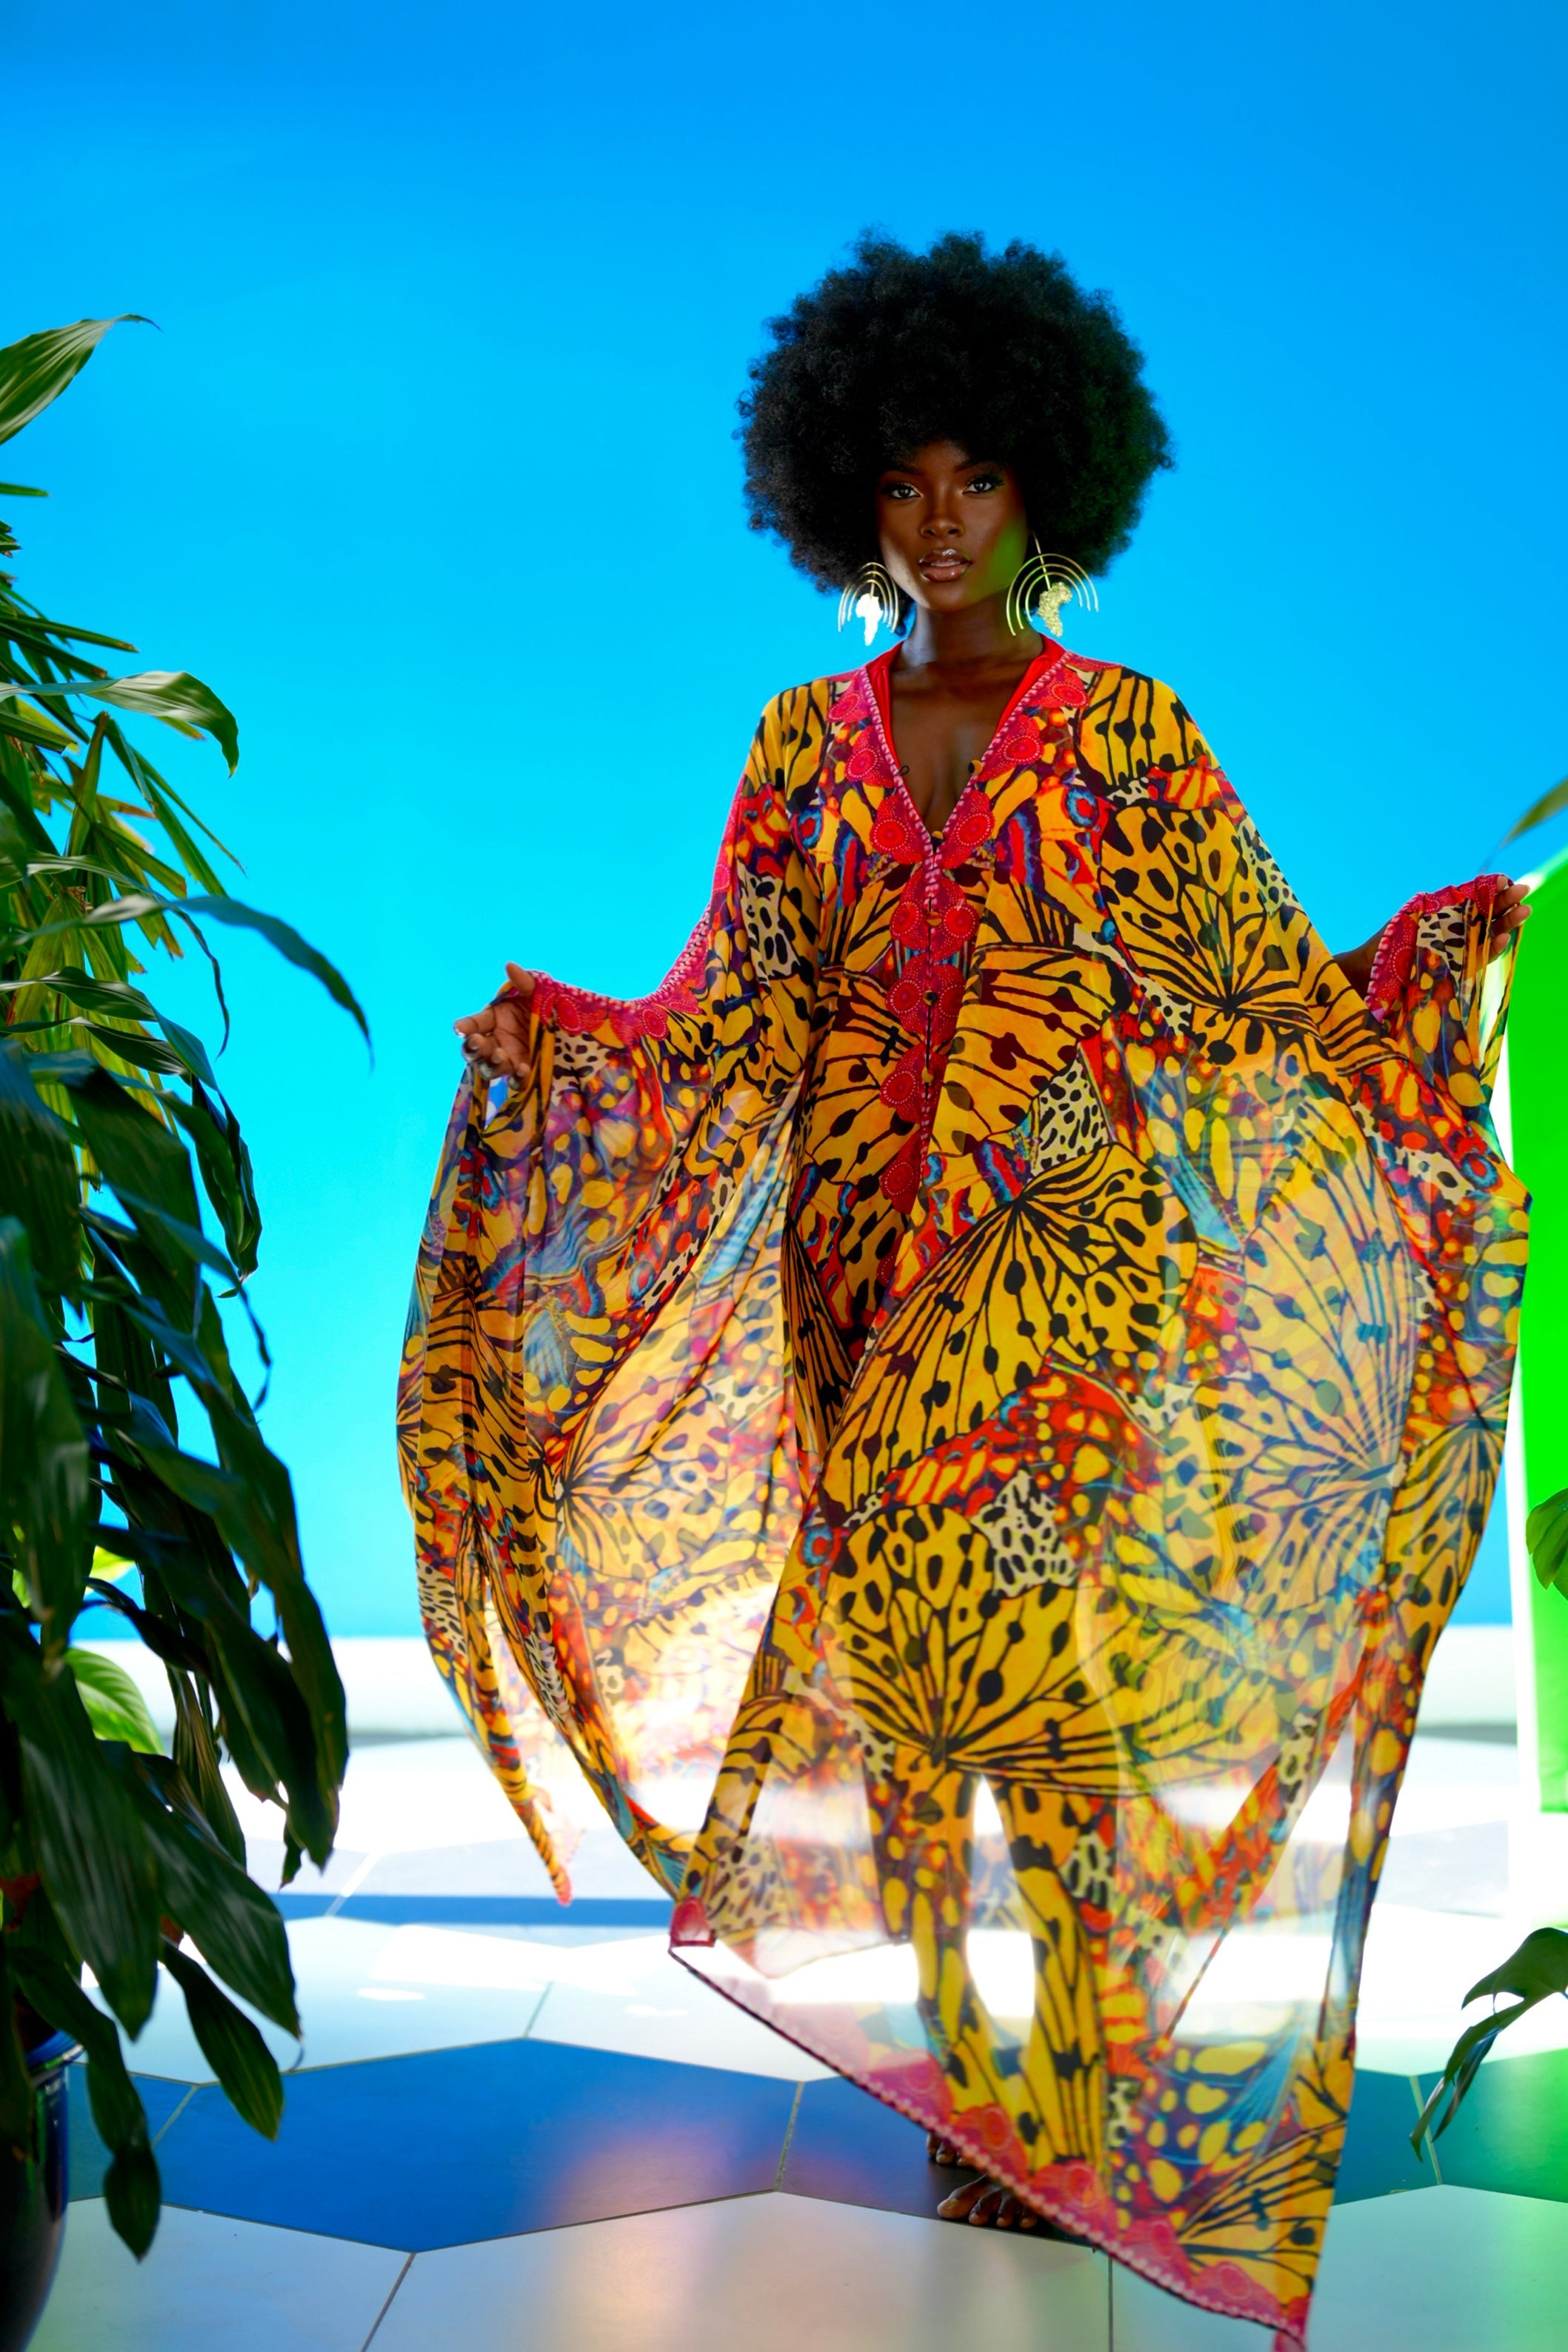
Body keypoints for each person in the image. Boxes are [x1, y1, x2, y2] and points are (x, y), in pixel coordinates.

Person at [401, 232, 1529, 2348]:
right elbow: (735, 1016)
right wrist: (579, 1049)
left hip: (1063, 1279)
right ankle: (972, 2094)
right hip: (860, 1271)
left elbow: (1259, 991)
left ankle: (1076, 2080)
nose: (936, 521)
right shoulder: (795, 739)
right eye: (902, 482)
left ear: (1045, 492)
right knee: (911, 1698)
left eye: (975, 478)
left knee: (1061, 1704)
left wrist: (1421, 980)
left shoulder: (1134, 737)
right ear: (848, 494)